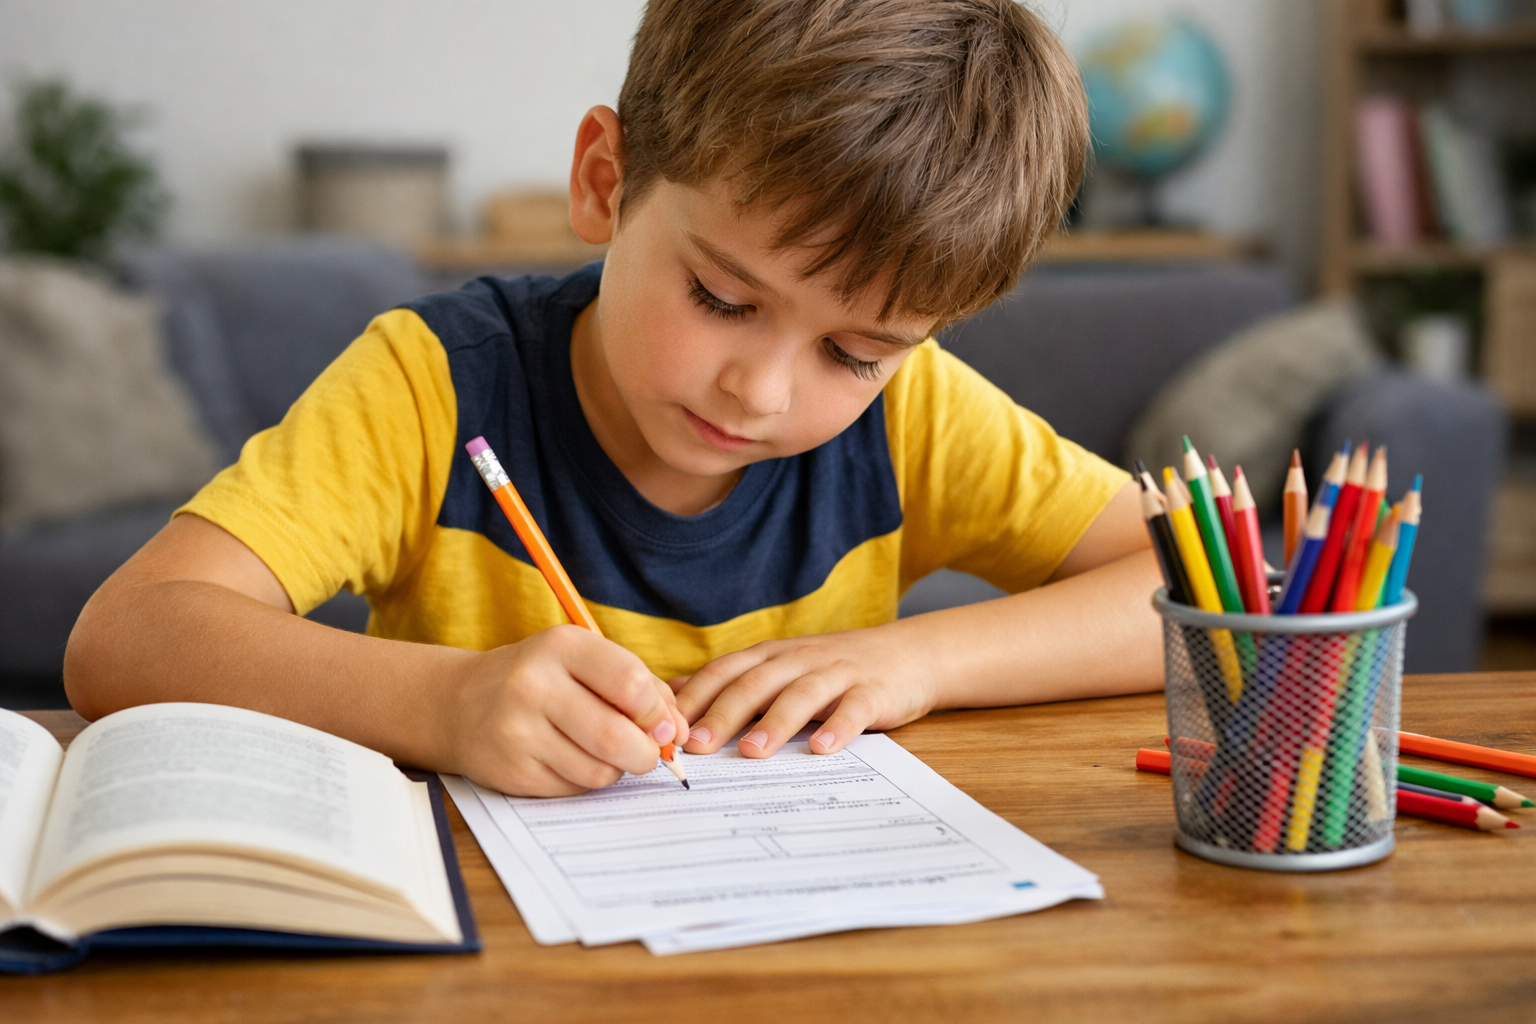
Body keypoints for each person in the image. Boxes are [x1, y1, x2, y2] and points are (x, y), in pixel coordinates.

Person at [66, 0, 1163, 797]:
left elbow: (1199, 583)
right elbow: (126, 636)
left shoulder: (909, 415)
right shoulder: (432, 386)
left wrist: (918, 660)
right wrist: (445, 703)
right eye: (722, 298)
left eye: (855, 352)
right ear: (605, 181)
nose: (760, 390)